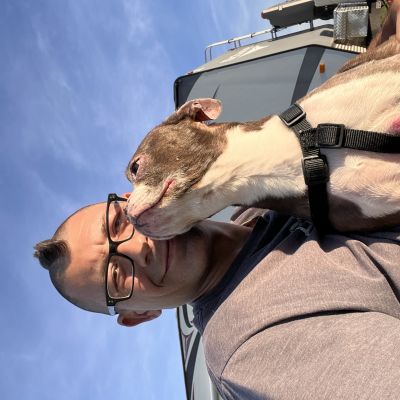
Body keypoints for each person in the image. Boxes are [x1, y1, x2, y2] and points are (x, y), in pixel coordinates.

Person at [35, 5, 400, 399]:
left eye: (118, 225)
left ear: (129, 200)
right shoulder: (250, 346)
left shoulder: (256, 206)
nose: (138, 250)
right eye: (118, 276)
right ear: (138, 315)